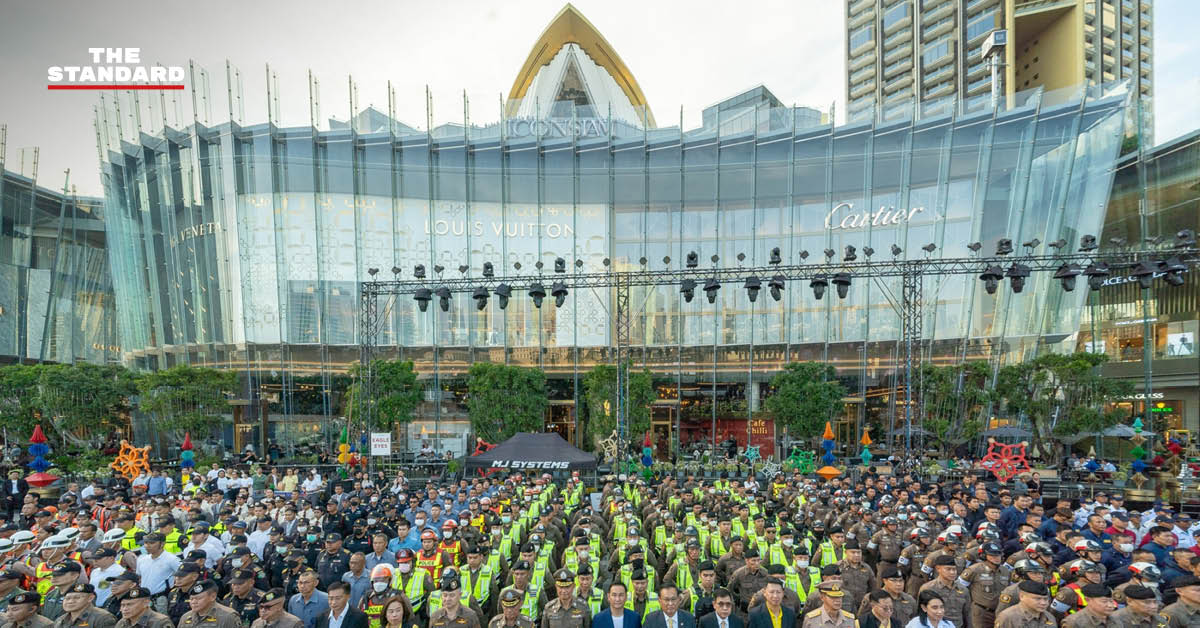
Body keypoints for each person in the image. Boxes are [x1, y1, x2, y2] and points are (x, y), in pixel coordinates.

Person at [53, 583, 117, 628]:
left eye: (77, 598)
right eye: (67, 598)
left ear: (90, 598)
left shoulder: (103, 618)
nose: (70, 601)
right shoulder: (60, 620)